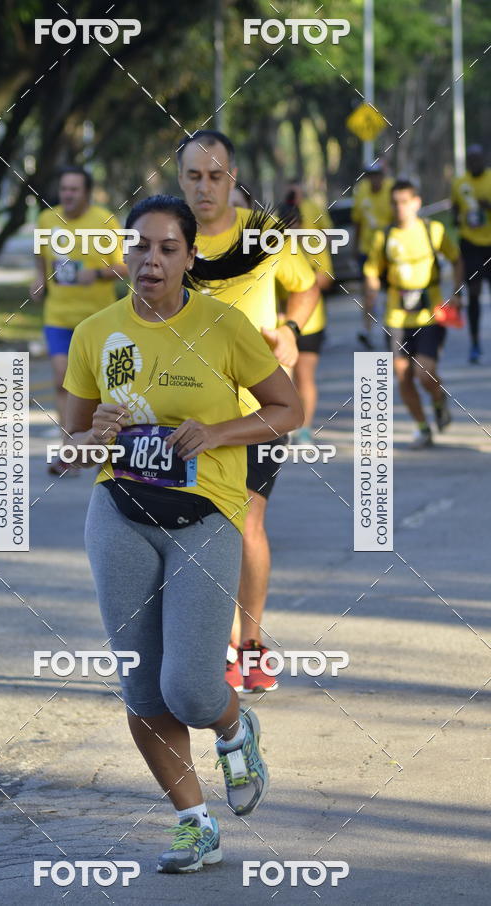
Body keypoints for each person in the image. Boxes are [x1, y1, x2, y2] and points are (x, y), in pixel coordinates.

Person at [62, 194, 303, 872]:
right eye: (140, 246)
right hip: (119, 512)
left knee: (192, 689)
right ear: (125, 254)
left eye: (168, 248)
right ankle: (195, 824)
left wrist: (218, 432)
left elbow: (288, 409)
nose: (152, 260)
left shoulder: (223, 326)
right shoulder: (95, 334)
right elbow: (72, 445)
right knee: (143, 691)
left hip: (204, 515)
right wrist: (89, 436)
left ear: (190, 257)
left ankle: (233, 726)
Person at [176, 130, 318, 694]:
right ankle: (219, 643)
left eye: (215, 176)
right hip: (185, 413)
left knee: (247, 522)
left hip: (258, 408)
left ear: (232, 179)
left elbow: (306, 287)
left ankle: (250, 645)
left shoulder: (263, 235)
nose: (205, 187)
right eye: (194, 176)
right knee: (199, 528)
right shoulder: (169, 239)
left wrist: (291, 330)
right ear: (180, 179)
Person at [30, 166, 127, 473]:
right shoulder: (46, 220)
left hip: (98, 320)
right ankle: (69, 450)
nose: (68, 195)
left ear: (87, 193)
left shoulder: (105, 221)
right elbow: (40, 257)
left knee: (101, 387)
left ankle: (102, 447)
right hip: (59, 316)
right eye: (64, 189)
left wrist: (96, 274)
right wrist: (39, 280)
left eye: (74, 189)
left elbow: (124, 268)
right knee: (62, 380)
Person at [364, 179, 463, 450]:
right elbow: (372, 270)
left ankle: (439, 399)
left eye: (405, 202)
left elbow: (456, 259)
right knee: (402, 375)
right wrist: (371, 292)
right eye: (395, 203)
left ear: (417, 203)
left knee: (424, 373)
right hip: (396, 317)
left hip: (429, 315)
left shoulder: (433, 231)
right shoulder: (384, 236)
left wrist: (457, 293)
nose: (400, 208)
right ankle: (422, 427)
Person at [279, 179, 335, 444]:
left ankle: (305, 428)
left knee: (304, 376)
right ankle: (286, 424)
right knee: (282, 379)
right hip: (279, 323)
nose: (292, 231)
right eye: (286, 227)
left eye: (296, 225)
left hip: (311, 322)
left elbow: (326, 279)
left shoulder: (314, 245)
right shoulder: (273, 249)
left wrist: (301, 281)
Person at [451, 144, 491, 363]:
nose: (474, 163)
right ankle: (475, 343)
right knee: (474, 293)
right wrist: (458, 219)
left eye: (477, 159)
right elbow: (455, 208)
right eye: (471, 160)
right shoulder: (459, 183)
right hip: (470, 245)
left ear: (484, 160)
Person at [352, 162, 394, 349]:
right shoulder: (361, 191)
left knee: (391, 292)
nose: (374, 179)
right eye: (370, 176)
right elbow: (357, 221)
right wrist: (354, 246)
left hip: (389, 250)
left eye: (377, 175)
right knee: (368, 293)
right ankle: (368, 331)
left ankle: (392, 328)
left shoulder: (391, 189)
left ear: (383, 176)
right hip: (367, 250)